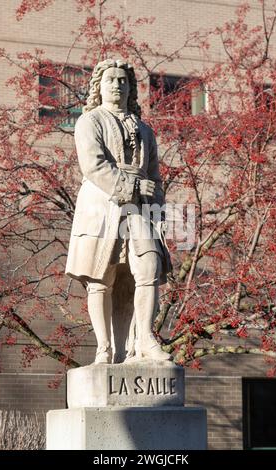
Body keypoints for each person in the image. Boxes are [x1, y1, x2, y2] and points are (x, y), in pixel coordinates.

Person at [65, 59, 172, 364]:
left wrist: (157, 206)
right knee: (102, 277)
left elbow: (155, 176)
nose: (117, 85)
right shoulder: (89, 121)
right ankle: (105, 349)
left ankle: (146, 340)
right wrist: (134, 187)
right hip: (102, 205)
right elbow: (95, 166)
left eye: (122, 80)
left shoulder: (145, 130)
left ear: (131, 87)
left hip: (140, 210)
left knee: (148, 269)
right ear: (99, 86)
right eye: (110, 79)